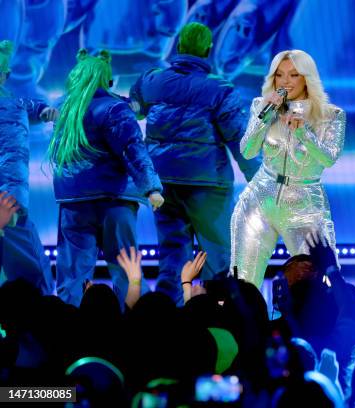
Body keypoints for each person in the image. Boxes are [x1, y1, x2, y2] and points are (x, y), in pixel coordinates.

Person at [130, 22, 260, 304]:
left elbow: (133, 110)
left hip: (163, 184)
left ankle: (168, 324)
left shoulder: (151, 81)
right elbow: (240, 139)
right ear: (208, 50)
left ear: (178, 46)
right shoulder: (220, 90)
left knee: (172, 257)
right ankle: (217, 322)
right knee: (218, 256)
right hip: (207, 186)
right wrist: (258, 178)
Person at [49, 49, 163, 307]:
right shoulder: (114, 108)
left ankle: (70, 338)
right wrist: (151, 188)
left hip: (73, 202)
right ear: (105, 78)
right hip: (114, 201)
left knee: (73, 276)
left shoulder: (65, 110)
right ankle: (135, 333)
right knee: (126, 272)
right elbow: (133, 149)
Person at [230, 49, 345, 288]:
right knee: (242, 285)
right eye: (280, 75)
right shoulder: (261, 106)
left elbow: (329, 158)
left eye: (293, 75)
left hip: (304, 204)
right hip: (261, 199)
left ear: (307, 77)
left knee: (321, 285)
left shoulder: (330, 115)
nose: (285, 81)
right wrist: (265, 115)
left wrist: (304, 132)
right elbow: (247, 151)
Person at [0, 40, 57, 294]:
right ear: (6, 75)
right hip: (10, 203)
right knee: (34, 273)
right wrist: (44, 110)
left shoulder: (17, 104)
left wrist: (44, 110)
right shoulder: (16, 105)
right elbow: (32, 106)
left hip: (10, 201)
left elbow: (33, 106)